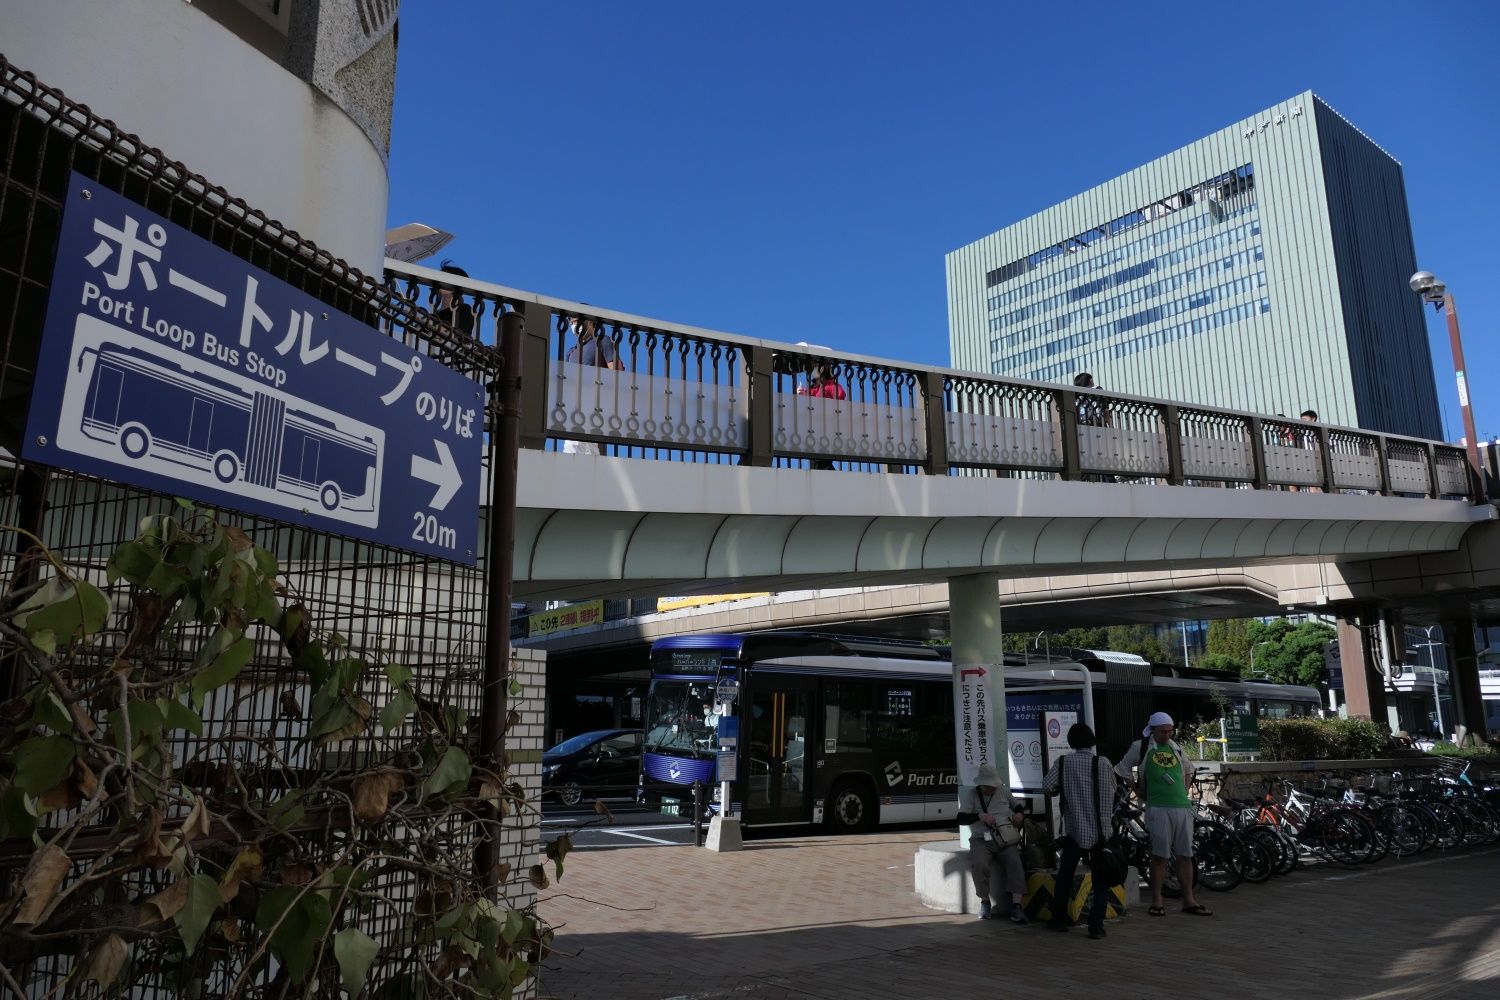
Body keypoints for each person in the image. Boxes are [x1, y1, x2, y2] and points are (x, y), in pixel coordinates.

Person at [1115, 712, 1212, 918]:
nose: (1167, 735)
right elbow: (1122, 768)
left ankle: (1189, 899)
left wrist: (1185, 789)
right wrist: (1136, 788)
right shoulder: (1140, 746)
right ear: (1153, 730)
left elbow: (1188, 768)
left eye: (1170, 731)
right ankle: (1157, 899)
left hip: (1181, 806)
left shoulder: (1175, 746)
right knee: (1160, 855)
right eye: (1163, 731)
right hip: (1158, 806)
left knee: (1186, 854)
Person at [1043, 722, 1116, 939]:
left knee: (1065, 875)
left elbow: (1047, 786)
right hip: (1102, 833)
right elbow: (1113, 789)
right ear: (1092, 740)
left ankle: (1059, 920)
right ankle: (1096, 927)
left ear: (1071, 742)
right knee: (1101, 879)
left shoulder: (1064, 762)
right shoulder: (1103, 763)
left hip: (1075, 831)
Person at [957, 765, 1028, 923]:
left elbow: (1017, 807)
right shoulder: (971, 795)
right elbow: (961, 818)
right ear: (981, 784)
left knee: (1015, 863)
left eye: (993, 785)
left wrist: (1019, 815)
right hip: (981, 838)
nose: (991, 788)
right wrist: (980, 816)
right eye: (987, 786)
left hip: (1005, 838)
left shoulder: (1003, 790)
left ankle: (1017, 906)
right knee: (979, 864)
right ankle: (984, 901)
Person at [797, 361, 846, 471]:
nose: (814, 369)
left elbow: (840, 394)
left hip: (825, 428)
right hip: (812, 429)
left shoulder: (829, 384)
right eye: (813, 366)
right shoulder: (812, 387)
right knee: (815, 462)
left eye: (816, 366)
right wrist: (801, 394)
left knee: (821, 461)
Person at [434, 260, 475, 337]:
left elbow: (462, 338)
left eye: (446, 279)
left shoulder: (464, 310)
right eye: (440, 278)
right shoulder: (435, 313)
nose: (440, 282)